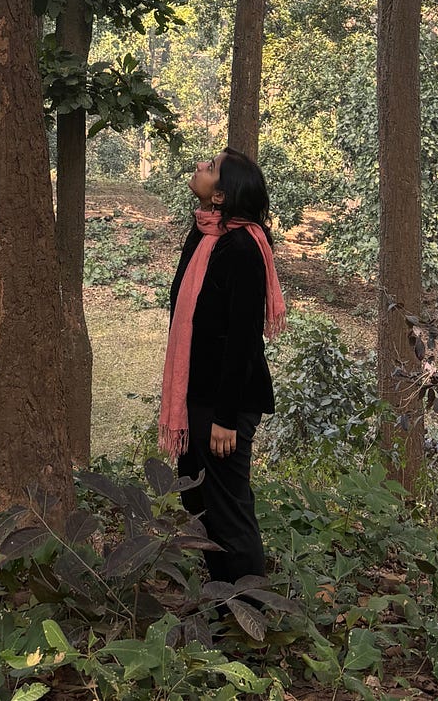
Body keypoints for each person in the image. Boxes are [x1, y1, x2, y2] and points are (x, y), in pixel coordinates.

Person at [158, 147, 285, 584]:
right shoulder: (203, 234)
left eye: (211, 168)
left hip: (226, 403)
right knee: (198, 503)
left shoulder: (242, 247)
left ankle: (251, 608)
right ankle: (221, 601)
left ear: (221, 196)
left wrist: (226, 418)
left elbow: (243, 339)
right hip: (195, 395)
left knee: (228, 508)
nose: (200, 166)